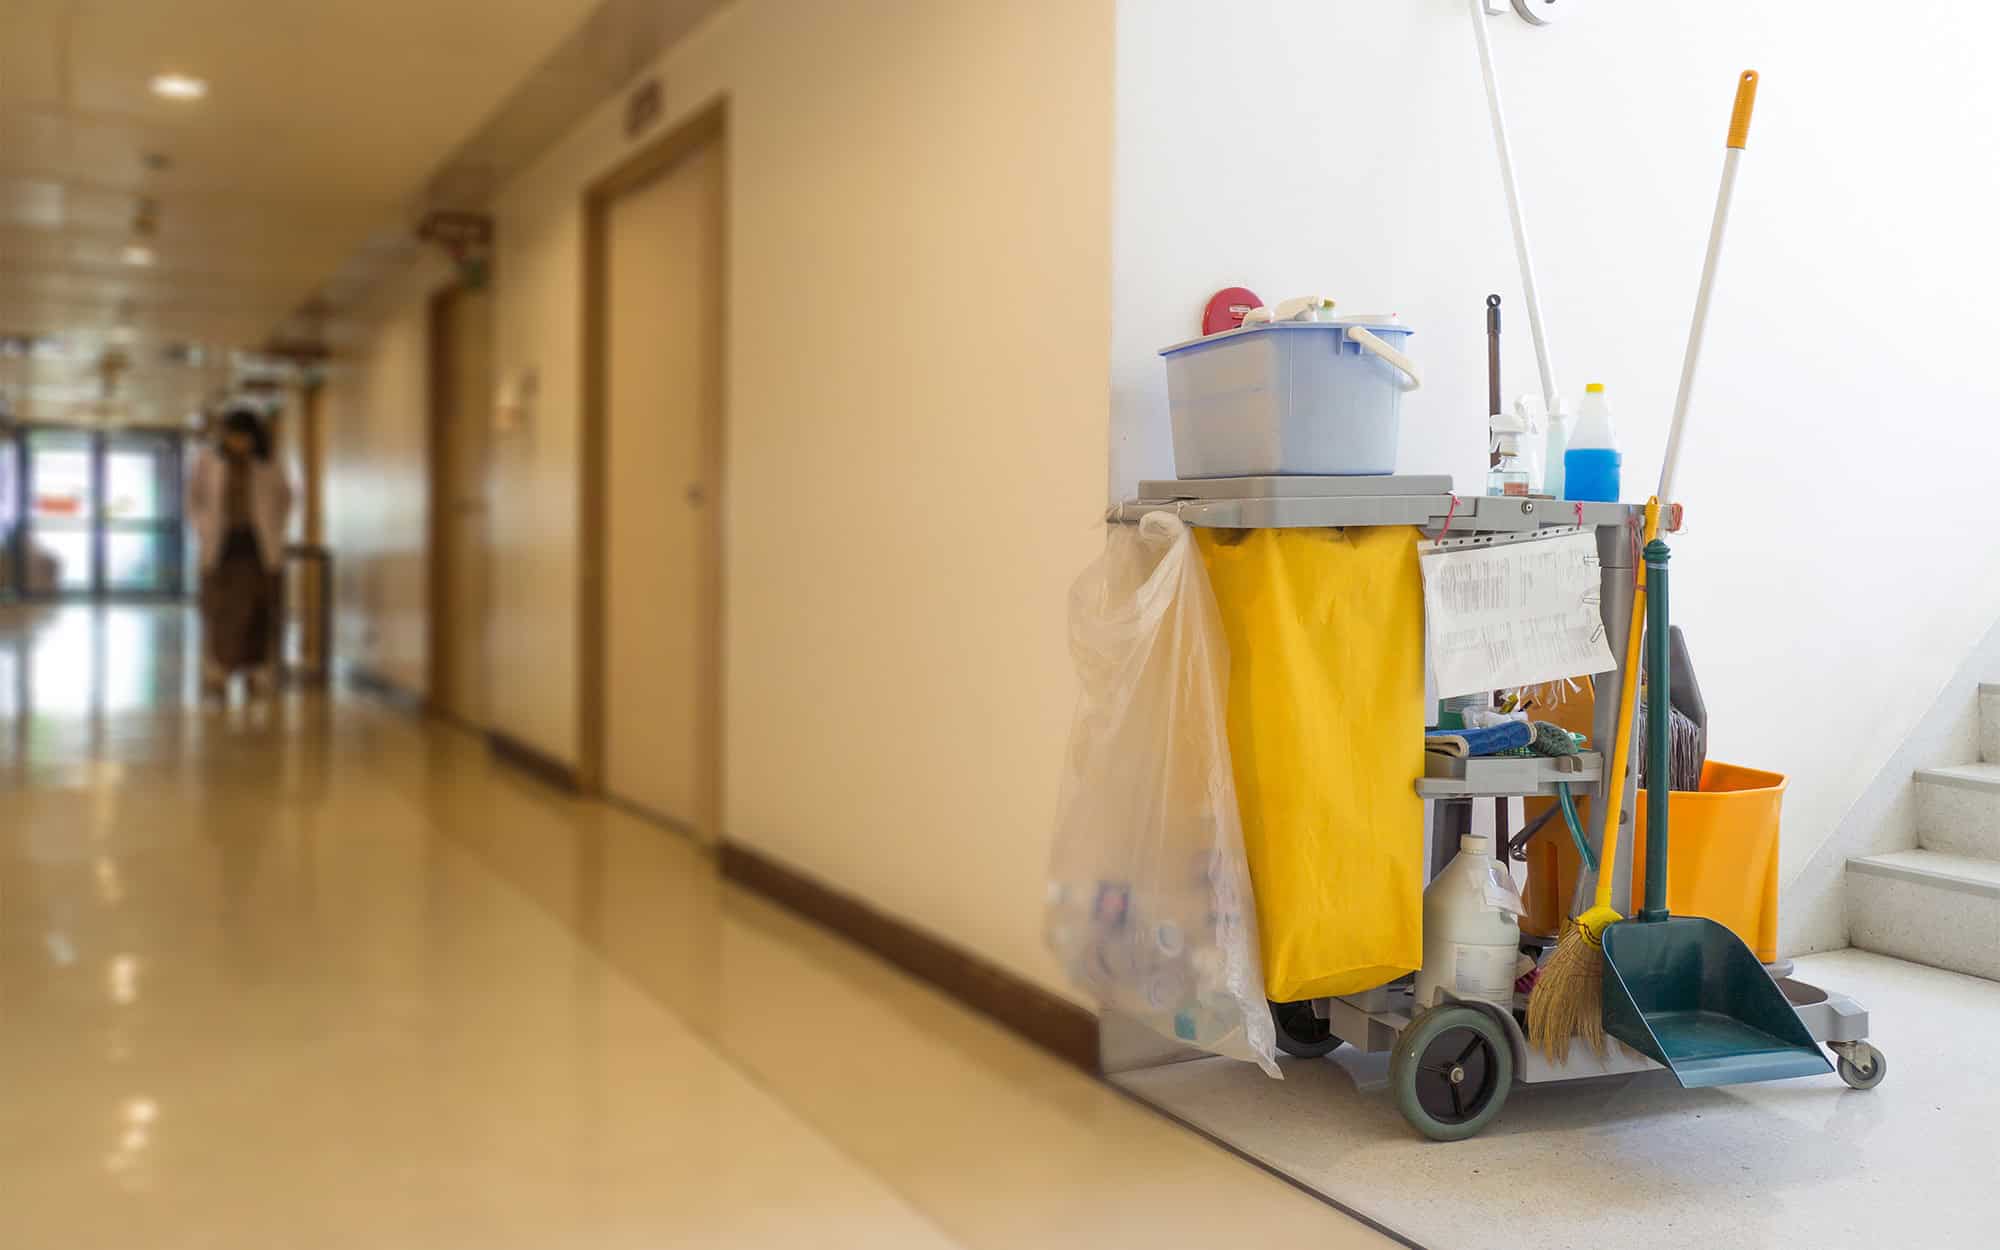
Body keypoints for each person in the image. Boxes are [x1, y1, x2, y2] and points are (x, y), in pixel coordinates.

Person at [186, 406, 294, 698]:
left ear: (254, 437)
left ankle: (255, 670)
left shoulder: (269, 463)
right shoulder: (207, 461)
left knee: (259, 610)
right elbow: (194, 499)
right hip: (221, 547)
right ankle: (219, 670)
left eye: (242, 437)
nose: (237, 442)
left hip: (258, 547)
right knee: (219, 610)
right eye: (232, 436)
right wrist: (203, 527)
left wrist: (275, 528)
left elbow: (285, 499)